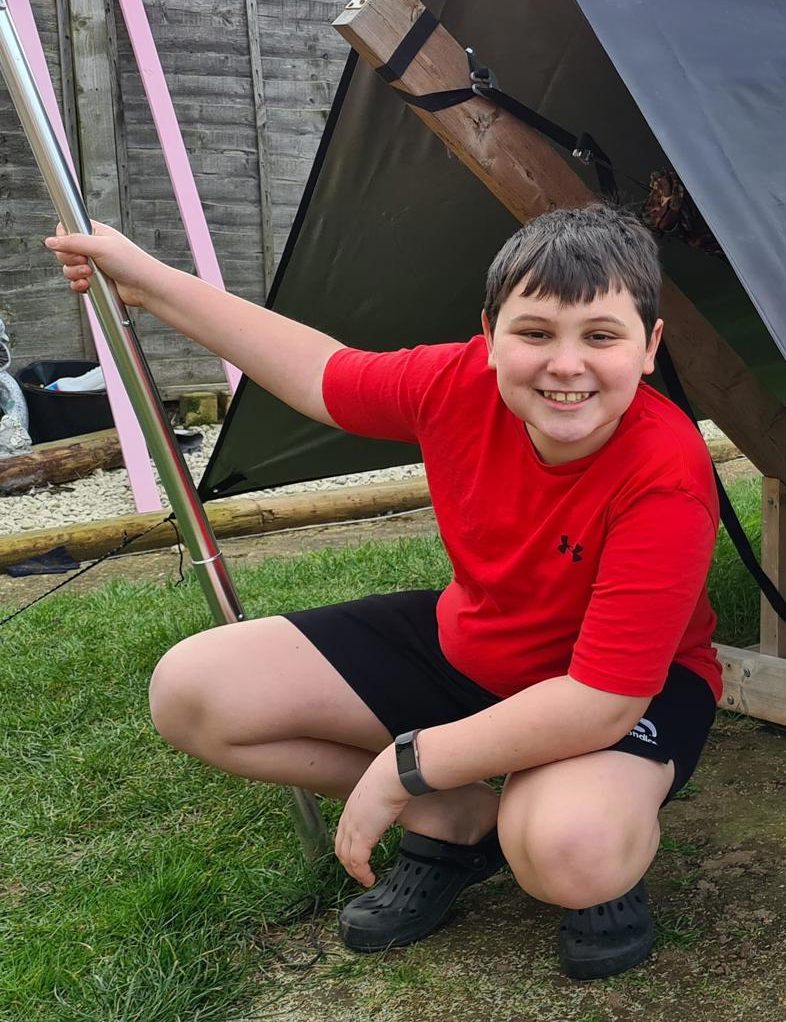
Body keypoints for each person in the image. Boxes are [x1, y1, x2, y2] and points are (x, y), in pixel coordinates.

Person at [45, 205, 721, 979]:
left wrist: (408, 760)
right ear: (490, 335)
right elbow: (317, 372)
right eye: (534, 333)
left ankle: (572, 817)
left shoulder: (665, 470)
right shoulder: (456, 381)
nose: (565, 364)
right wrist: (152, 283)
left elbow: (603, 699)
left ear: (648, 348)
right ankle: (457, 817)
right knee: (194, 691)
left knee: (569, 852)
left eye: (601, 336)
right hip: (479, 644)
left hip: (627, 689)